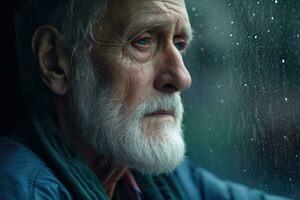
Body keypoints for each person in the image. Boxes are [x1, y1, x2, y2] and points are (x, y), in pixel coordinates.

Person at [0, 0, 290, 199]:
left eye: (179, 44)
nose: (181, 77)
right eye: (143, 41)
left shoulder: (151, 177)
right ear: (56, 62)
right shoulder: (19, 189)